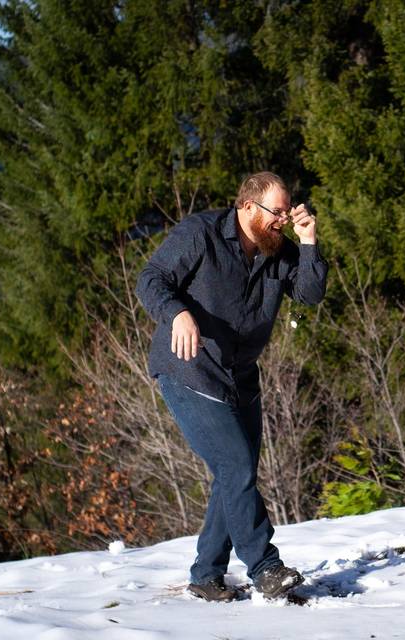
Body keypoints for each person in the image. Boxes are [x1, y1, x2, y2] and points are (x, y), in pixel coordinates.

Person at [135, 171, 328, 602]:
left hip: (241, 376)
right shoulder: (199, 234)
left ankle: (206, 574)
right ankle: (265, 567)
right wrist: (177, 314)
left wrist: (310, 241)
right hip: (190, 370)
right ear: (246, 206)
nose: (283, 218)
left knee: (233, 474)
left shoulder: (278, 250)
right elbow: (150, 279)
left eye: (286, 210)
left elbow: (310, 294)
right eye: (276, 211)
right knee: (237, 466)